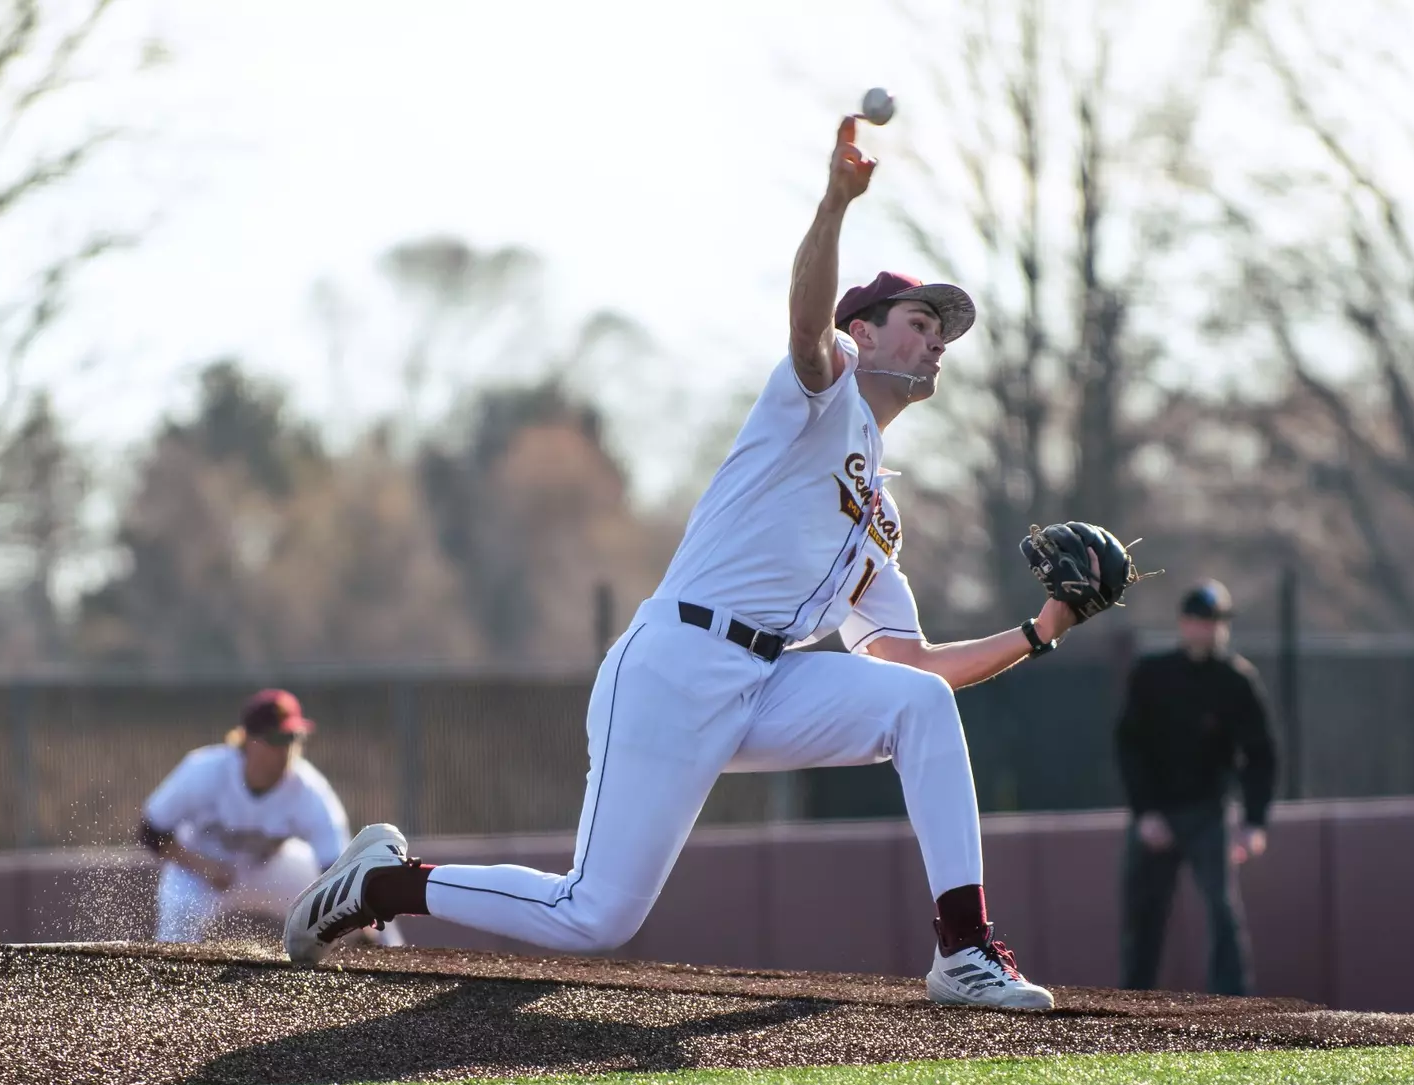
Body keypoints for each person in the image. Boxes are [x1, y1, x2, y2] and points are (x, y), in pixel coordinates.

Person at [287, 115, 1127, 1010]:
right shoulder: (821, 391)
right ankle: (382, 884)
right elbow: (807, 318)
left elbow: (911, 667)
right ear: (866, 333)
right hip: (676, 668)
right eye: (920, 322)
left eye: (943, 334)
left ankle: (963, 950)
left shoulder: (879, 511)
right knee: (593, 917)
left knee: (916, 705)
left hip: (766, 683)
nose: (936, 343)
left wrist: (1041, 633)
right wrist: (835, 202)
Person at [1114, 580, 1277, 995]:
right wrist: (1145, 812)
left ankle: (1233, 1007)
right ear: (1184, 624)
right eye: (1201, 621)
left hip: (1209, 810)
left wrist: (1255, 821)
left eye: (1217, 622)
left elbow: (1260, 753)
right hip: (1158, 812)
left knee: (1223, 911)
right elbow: (1129, 745)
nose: (1209, 629)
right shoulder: (1153, 675)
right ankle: (1133, 1003)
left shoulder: (1236, 680)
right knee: (1142, 913)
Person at [140, 688, 400, 947]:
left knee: (368, 911)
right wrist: (202, 866)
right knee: (175, 937)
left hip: (271, 868)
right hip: (202, 867)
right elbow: (149, 831)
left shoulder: (308, 789)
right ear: (249, 739)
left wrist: (356, 919)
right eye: (278, 738)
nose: (287, 748)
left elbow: (336, 864)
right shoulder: (206, 770)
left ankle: (395, 971)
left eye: (294, 737)